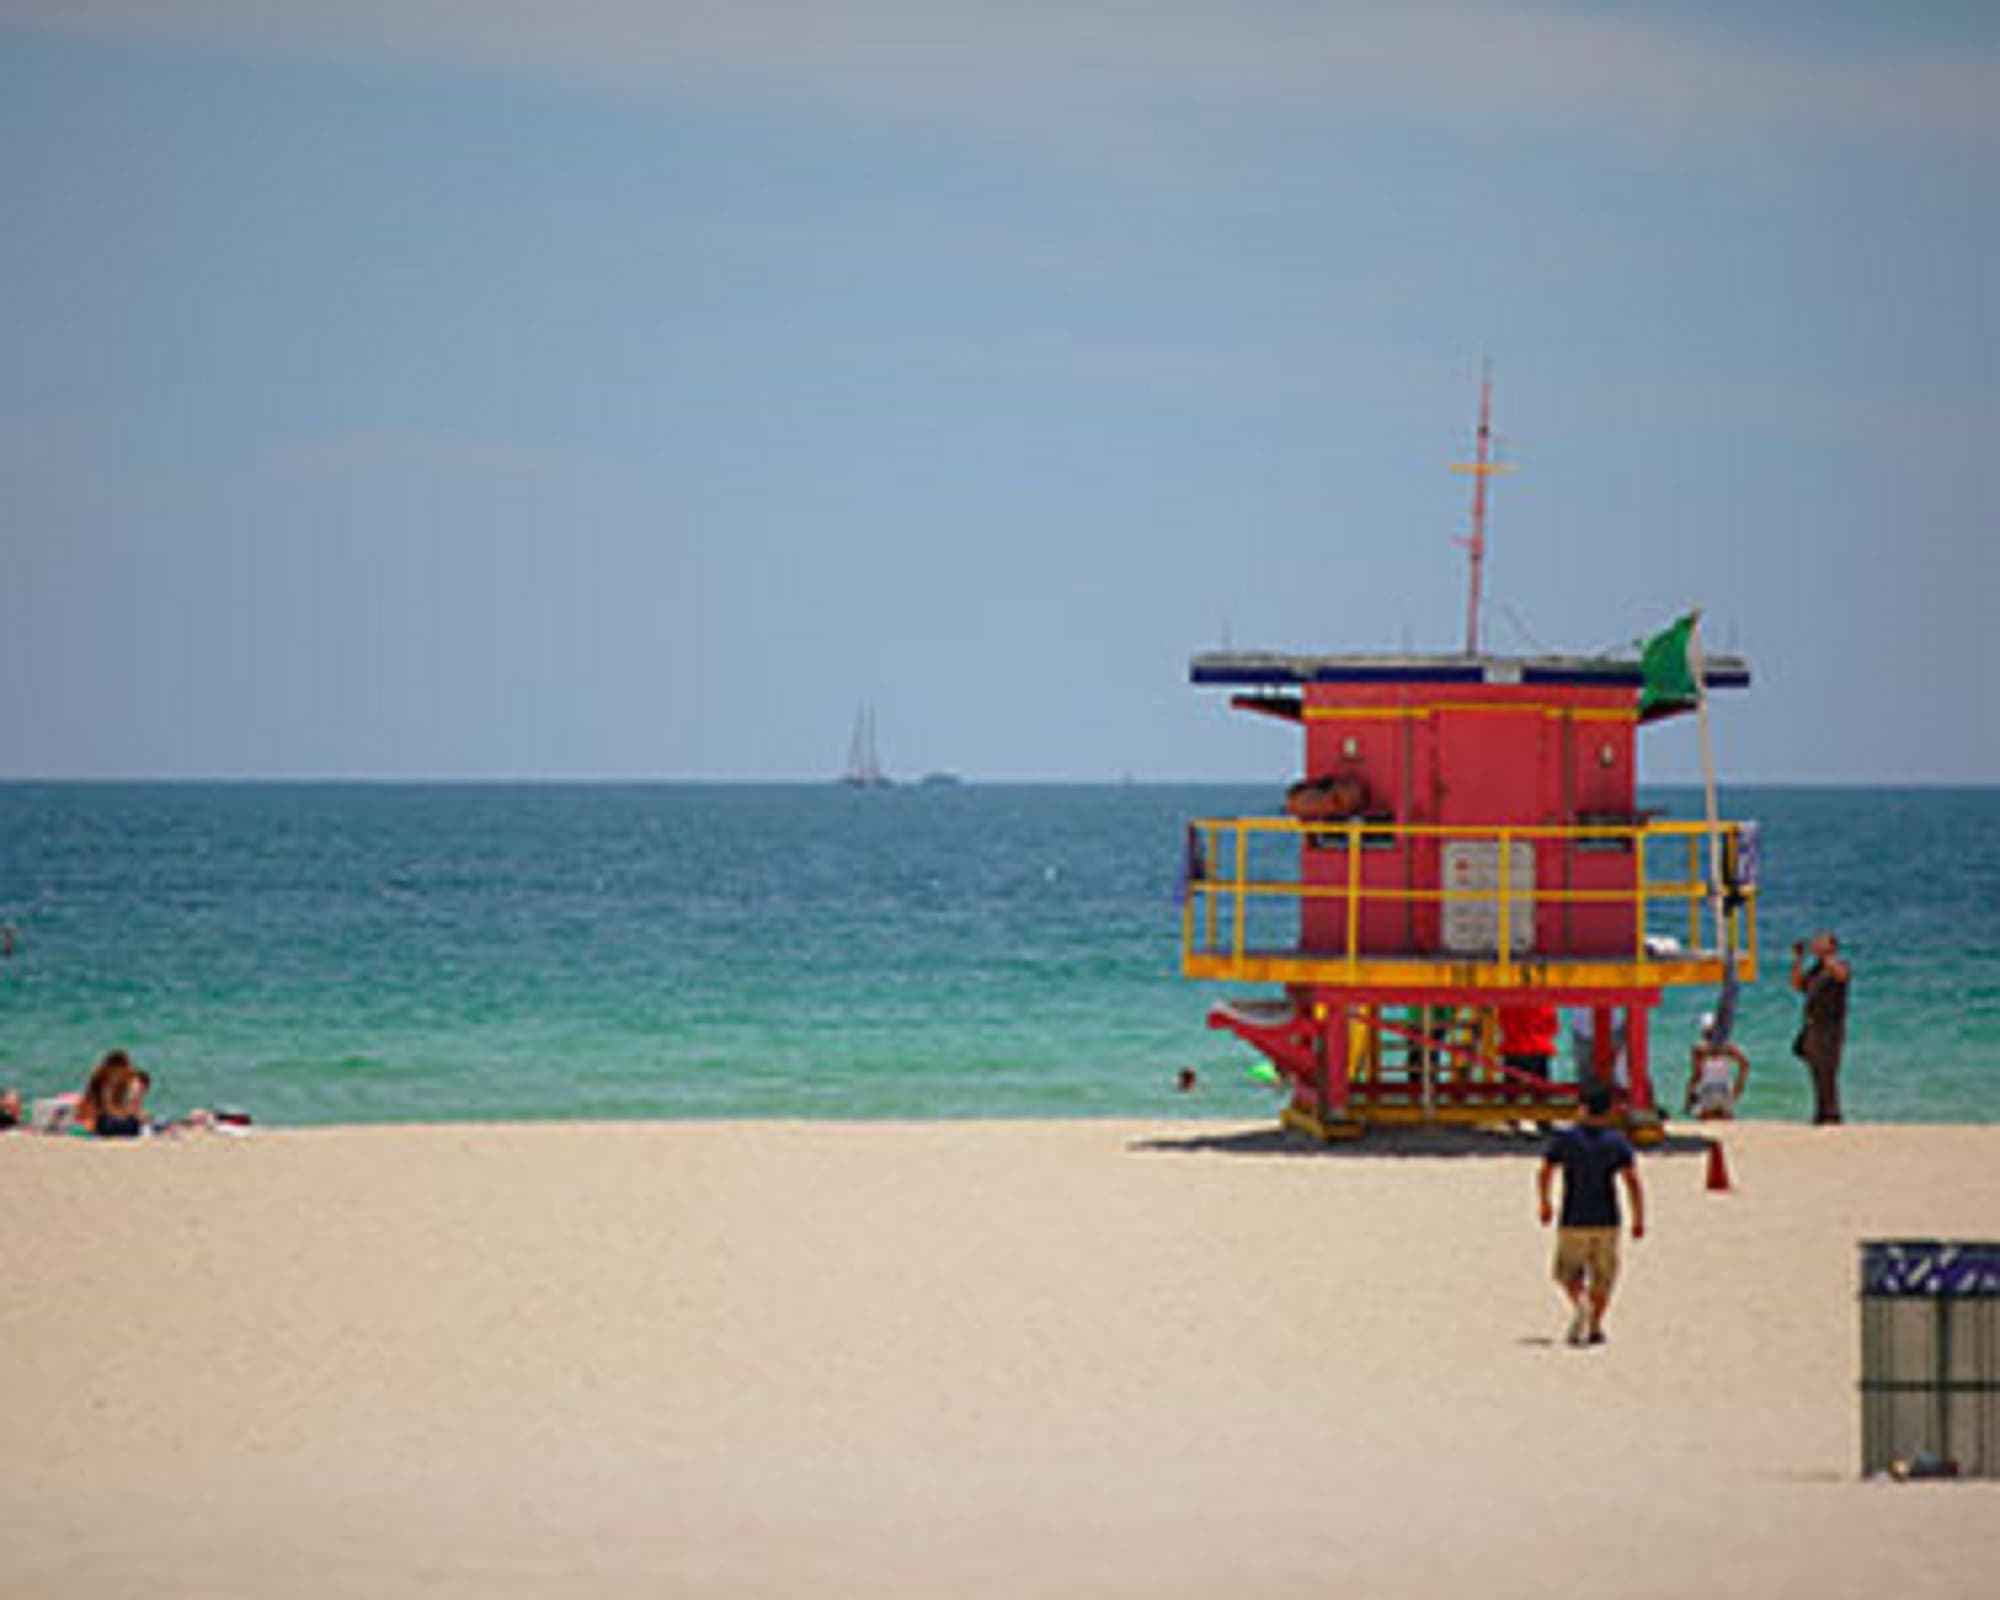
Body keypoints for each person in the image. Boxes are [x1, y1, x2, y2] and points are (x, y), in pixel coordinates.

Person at [1537, 1083, 1645, 1346]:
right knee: (1604, 1277)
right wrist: (1638, 1218)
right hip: (1608, 1218)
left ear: (1582, 1108)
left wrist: (1545, 1203)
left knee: (1567, 1274)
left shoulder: (1566, 1139)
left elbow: (1545, 1171)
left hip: (1574, 1216)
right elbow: (1632, 1181)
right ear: (1608, 1111)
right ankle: (1595, 1325)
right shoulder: (1617, 1141)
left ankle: (1582, 1305)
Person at [1790, 933, 1850, 1125]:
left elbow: (1842, 975)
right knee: (1816, 1070)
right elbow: (1798, 984)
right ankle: (1821, 1112)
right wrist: (1798, 959)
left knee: (1828, 1070)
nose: (1816, 945)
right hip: (1813, 1025)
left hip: (1831, 1026)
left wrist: (1826, 957)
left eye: (1821, 942)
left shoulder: (1838, 966)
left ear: (1832, 947)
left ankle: (1832, 1114)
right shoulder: (1815, 971)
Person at [1685, 1013, 1750, 1119]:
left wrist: (1688, 1100)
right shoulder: (1729, 1047)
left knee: (1706, 1124)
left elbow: (1697, 1076)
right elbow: (1745, 1064)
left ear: (1703, 1030)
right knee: (1726, 1124)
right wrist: (1738, 1087)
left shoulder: (1699, 1048)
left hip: (1707, 1090)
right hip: (1725, 1089)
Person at [76, 1050, 151, 1139]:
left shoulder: (98, 1077)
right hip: (123, 1126)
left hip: (104, 1125)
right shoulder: (126, 1079)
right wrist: (142, 1116)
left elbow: (88, 1104)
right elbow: (131, 1106)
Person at [1498, 1003, 1559, 1083]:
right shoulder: (1545, 1004)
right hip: (1538, 1049)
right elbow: (1553, 1028)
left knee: (1511, 1091)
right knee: (1540, 1090)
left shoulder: (1508, 1002)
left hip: (1514, 1049)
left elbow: (1503, 1022)